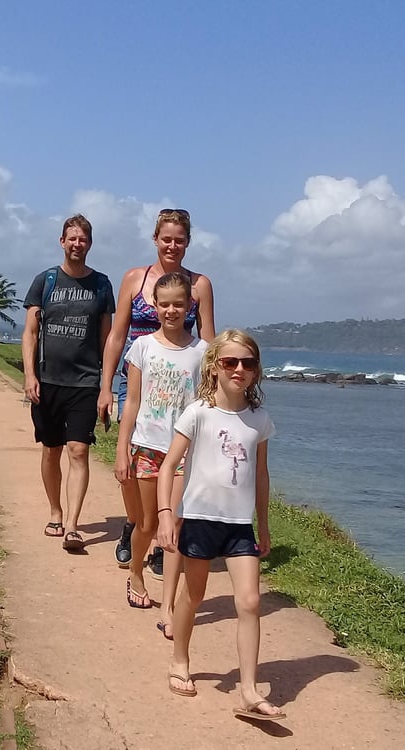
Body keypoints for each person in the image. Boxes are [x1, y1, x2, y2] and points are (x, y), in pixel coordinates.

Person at [155, 330, 284, 721]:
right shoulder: (198, 413)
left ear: (257, 371)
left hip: (239, 526)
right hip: (200, 521)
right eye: (230, 362)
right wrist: (165, 514)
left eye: (248, 363)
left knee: (250, 602)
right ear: (214, 367)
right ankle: (180, 660)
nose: (239, 370)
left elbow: (260, 476)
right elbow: (168, 466)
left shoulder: (259, 419)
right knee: (193, 597)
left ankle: (248, 690)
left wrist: (262, 525)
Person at [100, 209, 216, 582]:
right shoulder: (135, 278)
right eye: (166, 238)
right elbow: (118, 335)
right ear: (155, 239)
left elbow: (209, 341)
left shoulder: (200, 285)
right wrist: (105, 387)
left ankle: (162, 537)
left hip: (182, 385)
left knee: (176, 465)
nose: (172, 245)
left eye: (179, 239)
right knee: (132, 471)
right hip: (134, 377)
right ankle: (136, 525)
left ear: (187, 242)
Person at [114, 272, 207, 611]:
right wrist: (122, 450)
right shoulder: (141, 347)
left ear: (189, 306)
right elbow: (133, 402)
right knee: (147, 523)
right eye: (164, 304)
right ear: (154, 305)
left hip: (183, 452)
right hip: (146, 447)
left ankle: (169, 603)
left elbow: (206, 404)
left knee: (177, 524)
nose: (171, 311)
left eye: (178, 305)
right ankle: (136, 572)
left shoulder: (203, 352)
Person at [22, 214, 115, 551]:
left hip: (85, 382)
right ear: (62, 241)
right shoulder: (44, 281)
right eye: (72, 238)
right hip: (47, 382)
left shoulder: (102, 285)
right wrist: (30, 375)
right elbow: (30, 333)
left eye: (83, 239)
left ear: (90, 244)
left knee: (78, 450)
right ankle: (55, 511)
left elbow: (107, 340)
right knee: (52, 451)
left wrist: (107, 387)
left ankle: (73, 525)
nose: (77, 244)